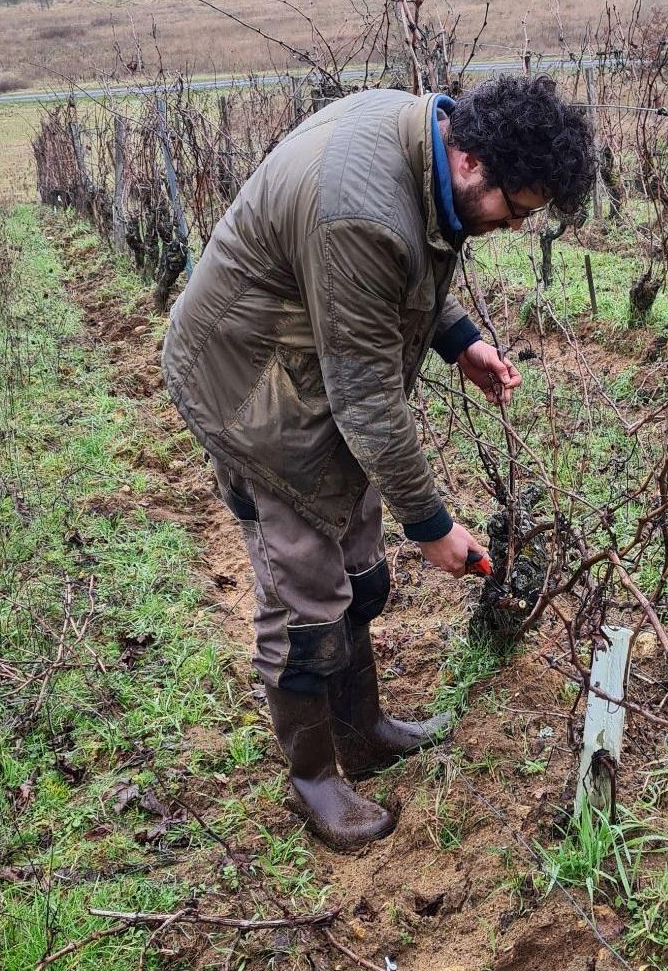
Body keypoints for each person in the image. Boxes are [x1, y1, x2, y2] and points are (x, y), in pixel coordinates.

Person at [162, 75, 596, 851]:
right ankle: (314, 779)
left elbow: (401, 281)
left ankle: (361, 731)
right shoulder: (360, 210)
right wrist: (432, 525)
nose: (513, 224)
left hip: (308, 360)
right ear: (472, 164)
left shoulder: (424, 141)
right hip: (251, 387)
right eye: (518, 208)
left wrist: (459, 340)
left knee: (363, 573)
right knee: (307, 602)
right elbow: (364, 393)